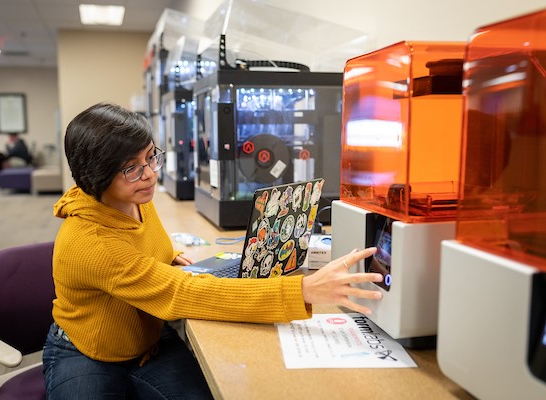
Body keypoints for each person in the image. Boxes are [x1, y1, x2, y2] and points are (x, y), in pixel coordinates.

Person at [43, 102, 384, 399]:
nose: (148, 175)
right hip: (87, 350)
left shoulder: (132, 197)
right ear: (97, 174)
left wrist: (161, 260)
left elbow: (138, 247)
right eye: (131, 168)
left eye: (150, 158)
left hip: (148, 340)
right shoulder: (92, 242)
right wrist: (304, 290)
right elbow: (181, 292)